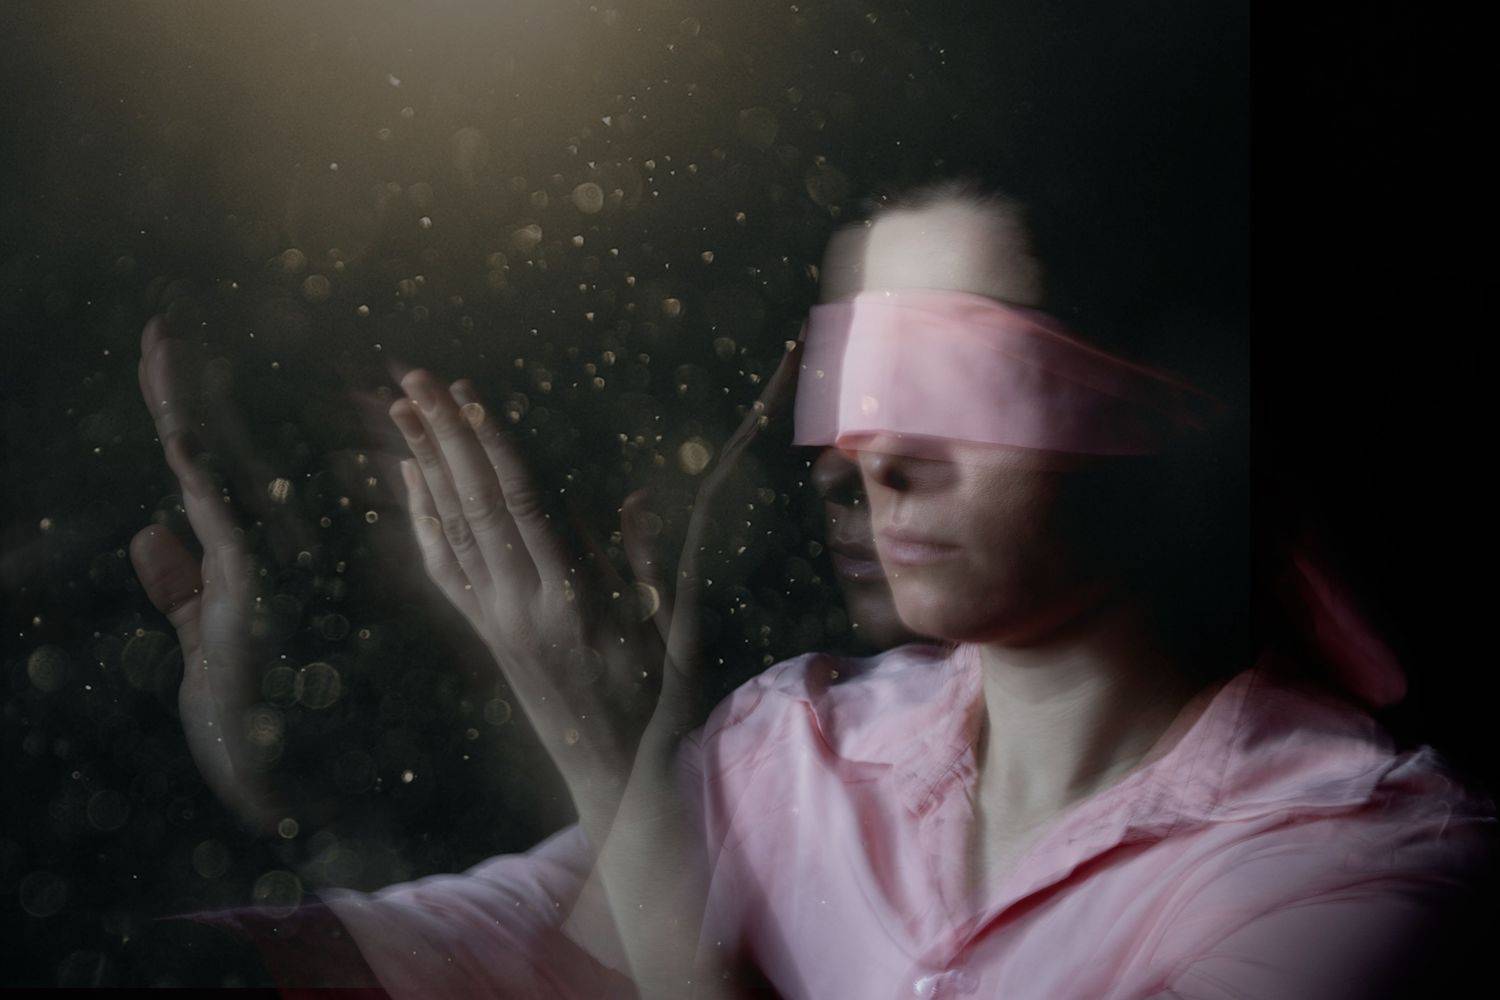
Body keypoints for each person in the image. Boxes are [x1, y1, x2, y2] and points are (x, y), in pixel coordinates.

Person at [137, 182, 1495, 998]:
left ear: (1168, 408)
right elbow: (480, 955)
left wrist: (610, 758)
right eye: (852, 376)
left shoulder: (1352, 863)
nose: (870, 455)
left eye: (961, 372)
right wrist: (293, 785)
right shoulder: (786, 752)